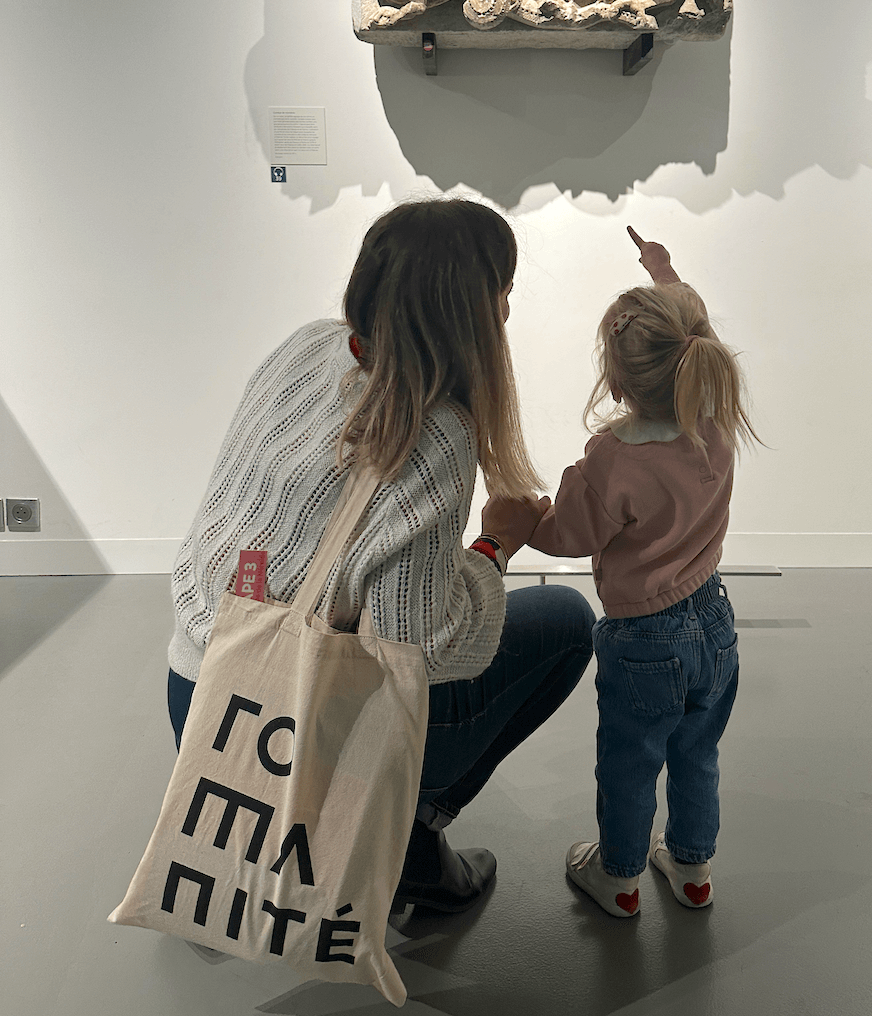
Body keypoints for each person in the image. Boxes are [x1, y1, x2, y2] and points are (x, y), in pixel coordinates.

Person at [166, 199, 595, 913]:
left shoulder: (305, 347)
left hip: (200, 700)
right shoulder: (437, 435)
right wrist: (495, 544)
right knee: (567, 620)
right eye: (503, 291)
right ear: (470, 312)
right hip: (297, 731)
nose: (510, 309)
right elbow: (421, 647)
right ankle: (410, 841)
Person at [529, 225, 760, 918]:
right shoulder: (715, 415)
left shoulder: (612, 457)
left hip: (644, 640)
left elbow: (566, 532)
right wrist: (665, 274)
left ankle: (621, 877)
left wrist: (516, 518)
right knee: (698, 750)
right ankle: (692, 868)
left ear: (618, 376)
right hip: (714, 620)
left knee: (631, 763)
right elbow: (694, 326)